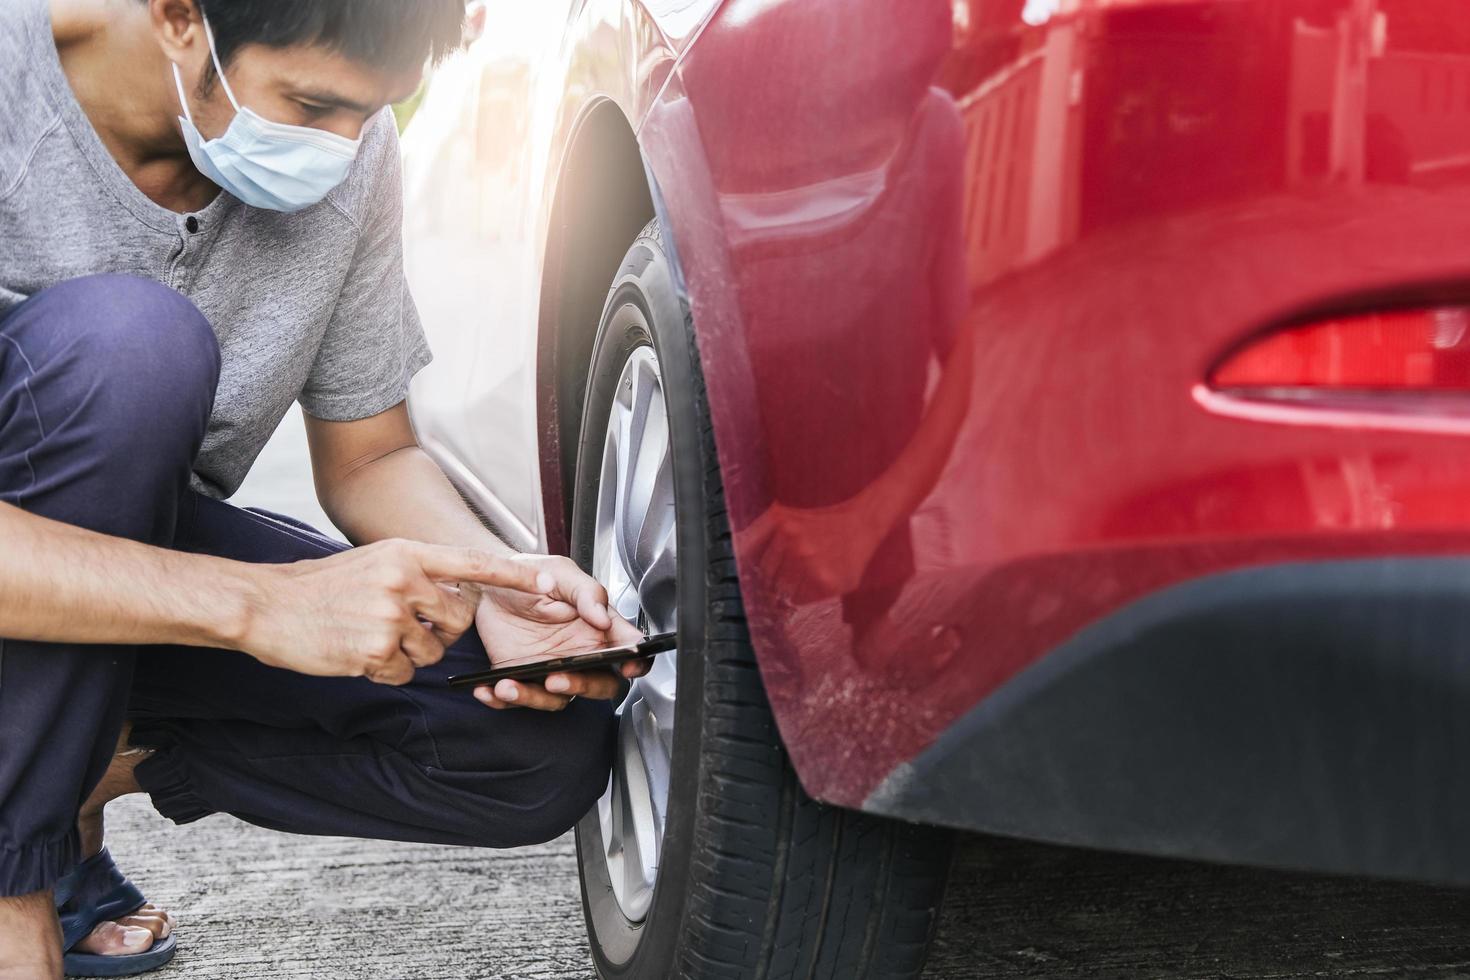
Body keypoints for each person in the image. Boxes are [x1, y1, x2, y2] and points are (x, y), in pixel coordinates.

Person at [0, 2, 648, 977]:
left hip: (108, 592)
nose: (341, 148)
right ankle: (21, 874)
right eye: (310, 103)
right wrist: (263, 605)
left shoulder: (352, 155)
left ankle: (61, 782)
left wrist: (499, 579)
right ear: (181, 16)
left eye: (372, 112)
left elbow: (369, 456)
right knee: (130, 350)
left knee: (531, 739)